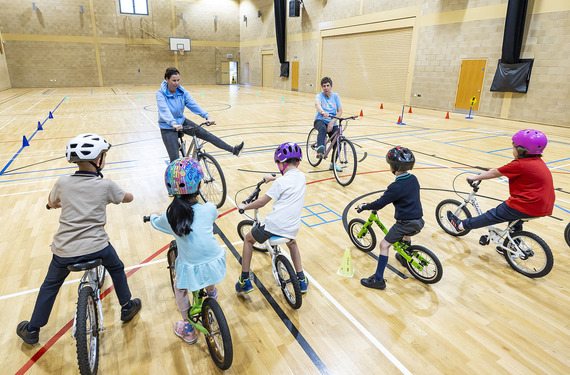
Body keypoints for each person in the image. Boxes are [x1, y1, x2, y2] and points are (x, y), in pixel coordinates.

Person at [17, 134, 141, 345]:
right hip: (98, 248)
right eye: (103, 155)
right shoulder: (106, 185)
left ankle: (33, 329)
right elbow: (127, 198)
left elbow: (52, 201)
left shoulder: (63, 183)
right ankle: (127, 306)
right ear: (98, 160)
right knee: (117, 268)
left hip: (64, 251)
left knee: (50, 286)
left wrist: (53, 205)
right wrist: (123, 196)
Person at [149, 157, 226, 344]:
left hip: (190, 265)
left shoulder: (170, 217)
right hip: (215, 260)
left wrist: (152, 217)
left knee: (180, 288)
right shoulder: (209, 209)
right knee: (207, 271)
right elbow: (211, 216)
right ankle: (212, 293)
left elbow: (156, 223)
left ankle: (188, 328)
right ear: (198, 185)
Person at [447, 129, 555, 254]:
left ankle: (461, 225)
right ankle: (511, 246)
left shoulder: (520, 164)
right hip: (543, 205)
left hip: (527, 204)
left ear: (521, 150)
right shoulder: (539, 162)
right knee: (515, 220)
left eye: (513, 147)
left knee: (491, 216)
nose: (512, 150)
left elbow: (494, 172)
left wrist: (475, 177)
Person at [236, 142, 308, 294]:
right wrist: (273, 178)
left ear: (281, 163)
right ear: (298, 162)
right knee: (292, 243)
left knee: (248, 239)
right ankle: (301, 279)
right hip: (293, 226)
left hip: (275, 225)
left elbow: (262, 202)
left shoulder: (281, 182)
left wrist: (244, 206)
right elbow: (289, 180)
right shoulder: (301, 177)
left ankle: (244, 280)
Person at [357, 146, 424, 290]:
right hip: (418, 221)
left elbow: (380, 203)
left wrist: (364, 206)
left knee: (384, 245)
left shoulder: (395, 186)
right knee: (405, 233)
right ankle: (405, 256)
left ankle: (378, 279)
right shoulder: (413, 179)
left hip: (406, 223)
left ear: (393, 167)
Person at [157, 67, 244, 162]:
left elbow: (193, 105)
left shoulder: (182, 92)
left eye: (178, 80)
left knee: (207, 135)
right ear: (167, 79)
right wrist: (173, 123)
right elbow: (164, 111)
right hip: (168, 126)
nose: (176, 83)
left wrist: (207, 116)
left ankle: (234, 150)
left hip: (181, 122)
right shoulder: (160, 94)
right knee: (175, 160)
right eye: (174, 80)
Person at [314, 76, 343, 172]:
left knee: (338, 142)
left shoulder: (335, 96)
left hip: (332, 122)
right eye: (324, 86)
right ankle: (319, 150)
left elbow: (339, 111)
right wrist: (322, 112)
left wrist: (332, 122)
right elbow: (317, 105)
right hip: (320, 120)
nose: (326, 88)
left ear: (331, 86)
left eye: (327, 85)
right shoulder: (319, 95)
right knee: (322, 128)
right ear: (322, 88)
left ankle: (333, 164)